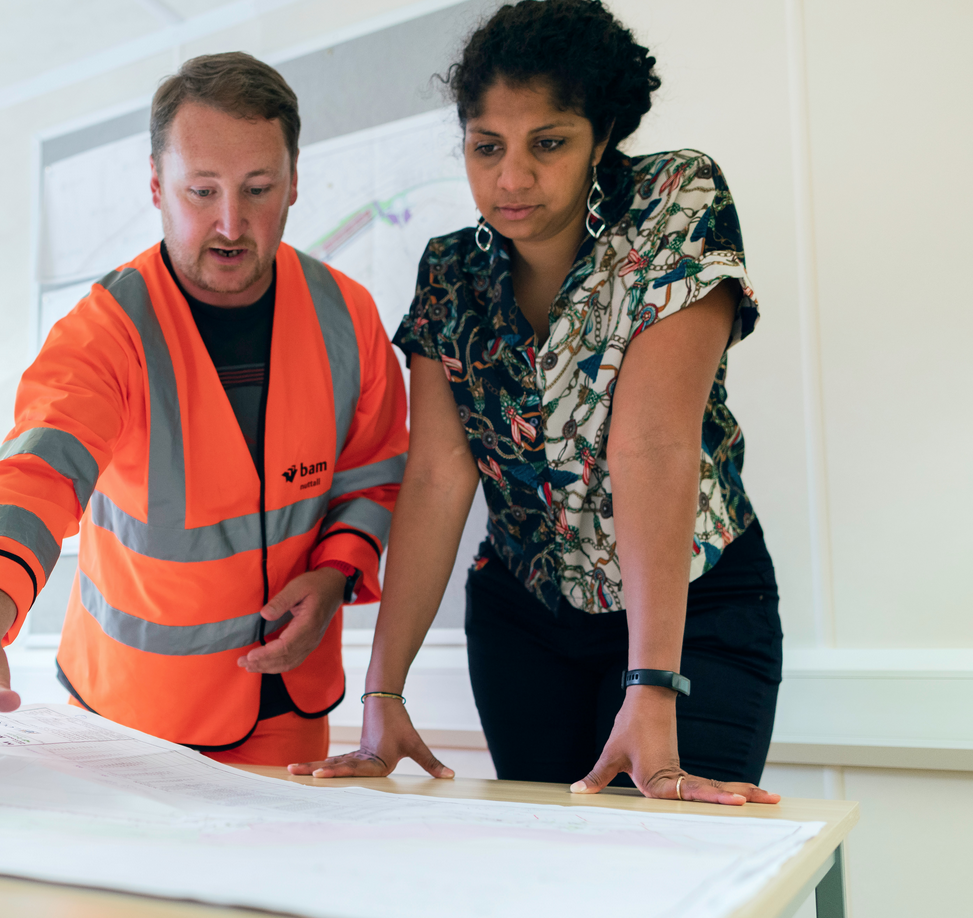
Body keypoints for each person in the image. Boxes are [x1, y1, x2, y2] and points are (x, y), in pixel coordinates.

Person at [0, 53, 412, 769]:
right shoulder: (105, 330)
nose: (230, 222)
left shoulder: (347, 315)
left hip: (288, 705)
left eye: (258, 189)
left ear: (293, 186)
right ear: (157, 186)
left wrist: (335, 572)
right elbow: (35, 472)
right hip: (131, 718)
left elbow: (371, 475)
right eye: (201, 191)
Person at [291, 0, 784, 805]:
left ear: (602, 136)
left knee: (663, 871)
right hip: (524, 623)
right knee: (553, 888)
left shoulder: (674, 202)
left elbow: (651, 445)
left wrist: (651, 684)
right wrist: (382, 695)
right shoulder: (450, 273)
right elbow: (437, 478)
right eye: (487, 148)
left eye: (547, 143)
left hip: (691, 612)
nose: (511, 178)